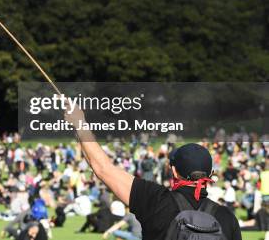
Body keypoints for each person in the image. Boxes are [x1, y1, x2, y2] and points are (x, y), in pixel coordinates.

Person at [68, 102, 242, 240]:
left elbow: (102, 168)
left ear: (173, 172)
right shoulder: (227, 217)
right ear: (210, 175)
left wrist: (79, 123)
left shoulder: (154, 200)